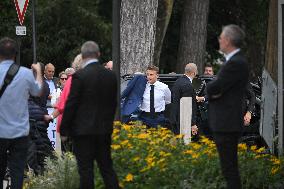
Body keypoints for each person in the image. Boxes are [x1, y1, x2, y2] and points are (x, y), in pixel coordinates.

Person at [60, 41, 119, 189]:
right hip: (104, 130)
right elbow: (113, 104)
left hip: (83, 132)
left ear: (83, 56)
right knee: (107, 169)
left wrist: (64, 129)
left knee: (86, 171)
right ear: (98, 55)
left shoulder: (80, 76)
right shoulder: (110, 76)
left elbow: (71, 104)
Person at [206, 24, 248, 189]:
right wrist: (215, 91)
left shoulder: (236, 63)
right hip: (226, 122)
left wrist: (213, 90)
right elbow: (217, 89)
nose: (219, 40)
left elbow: (213, 87)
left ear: (228, 40)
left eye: (221, 37)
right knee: (228, 169)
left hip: (227, 123)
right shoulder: (235, 61)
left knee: (229, 169)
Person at [0, 37, 43, 189]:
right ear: (15, 54)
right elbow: (38, 92)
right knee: (17, 172)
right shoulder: (25, 74)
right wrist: (38, 72)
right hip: (19, 133)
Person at [170, 63, 198, 135]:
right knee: (184, 144)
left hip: (174, 119)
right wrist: (193, 124)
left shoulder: (177, 82)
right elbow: (187, 107)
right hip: (183, 122)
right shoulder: (188, 85)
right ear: (194, 73)